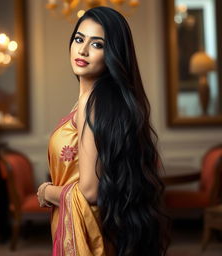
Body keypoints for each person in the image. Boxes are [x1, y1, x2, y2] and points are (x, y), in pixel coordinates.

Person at [37, 6, 170, 256]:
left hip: (90, 233)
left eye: (97, 45)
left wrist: (46, 191)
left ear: (113, 54)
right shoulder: (101, 101)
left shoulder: (93, 102)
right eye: (79, 39)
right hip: (98, 226)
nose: (83, 50)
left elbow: (90, 190)